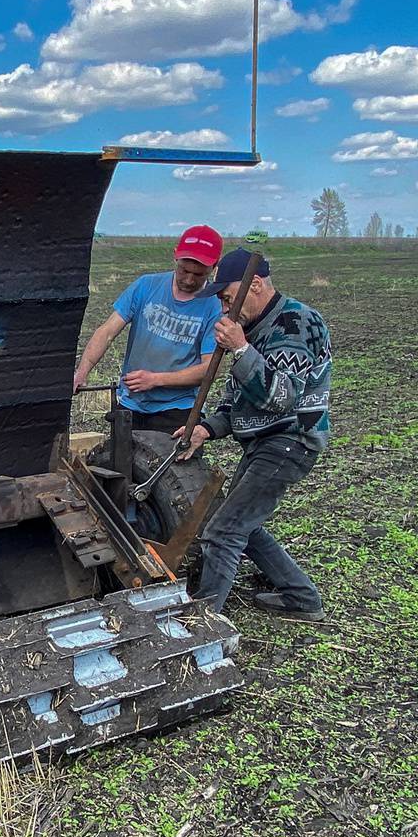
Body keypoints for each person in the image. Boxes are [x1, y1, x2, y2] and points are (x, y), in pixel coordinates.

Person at [177, 247, 332, 621]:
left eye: (229, 299)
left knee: (224, 531)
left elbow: (281, 398)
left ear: (256, 285)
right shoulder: (256, 329)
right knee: (244, 523)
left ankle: (203, 623)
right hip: (265, 442)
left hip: (289, 441)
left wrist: (241, 348)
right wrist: (206, 429)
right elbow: (239, 402)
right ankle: (301, 598)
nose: (225, 310)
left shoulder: (295, 324)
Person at [71, 225, 224, 539]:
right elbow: (107, 331)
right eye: (185, 269)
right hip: (131, 406)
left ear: (214, 268)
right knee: (119, 481)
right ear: (175, 258)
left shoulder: (214, 307)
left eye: (200, 273)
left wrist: (157, 380)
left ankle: (170, 551)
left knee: (176, 494)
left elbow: (209, 370)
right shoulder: (146, 287)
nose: (190, 279)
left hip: (177, 414)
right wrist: (81, 371)